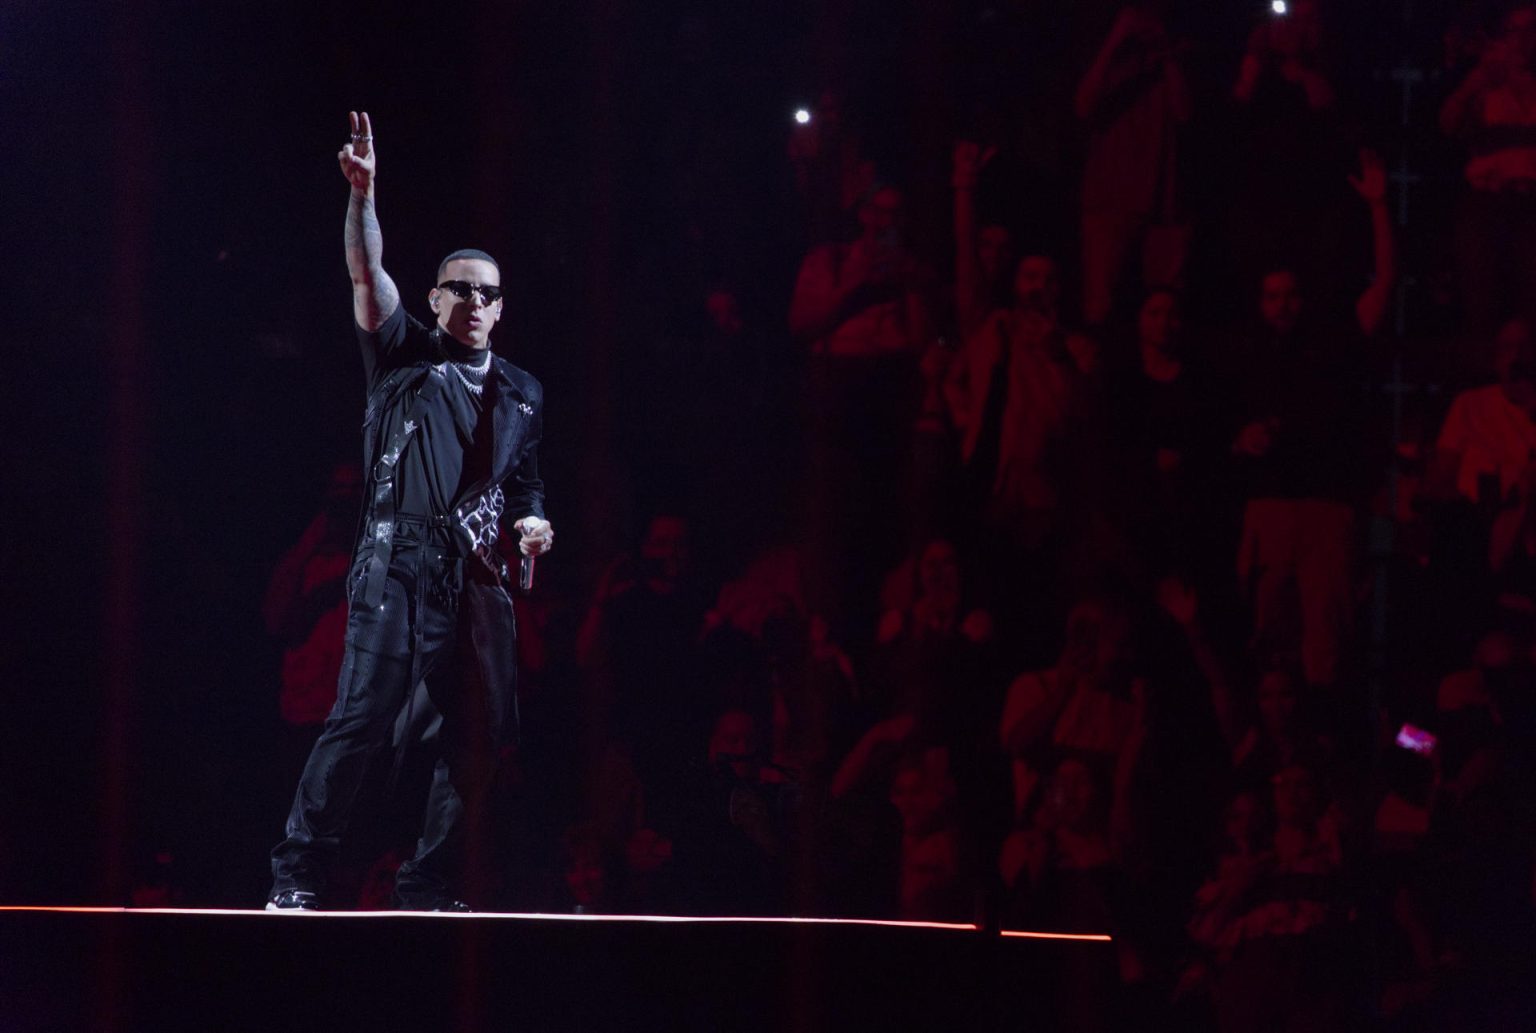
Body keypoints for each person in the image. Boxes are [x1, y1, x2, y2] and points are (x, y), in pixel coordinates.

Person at [267, 112, 555, 912]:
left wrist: (535, 522)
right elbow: (368, 274)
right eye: (457, 287)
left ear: (501, 308)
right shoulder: (403, 355)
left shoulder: (523, 391)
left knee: (479, 737)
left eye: (485, 293)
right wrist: (362, 197)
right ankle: (297, 874)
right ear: (436, 297)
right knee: (362, 717)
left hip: (471, 577)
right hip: (395, 561)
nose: (471, 300)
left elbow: (523, 482)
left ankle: (431, 885)